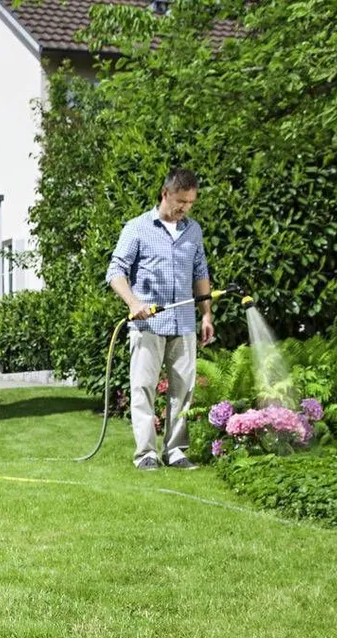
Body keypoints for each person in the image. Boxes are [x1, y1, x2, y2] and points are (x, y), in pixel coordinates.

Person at [106, 168, 214, 470]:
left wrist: (207, 315)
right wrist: (134, 302)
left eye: (190, 202)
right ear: (165, 194)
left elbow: (201, 273)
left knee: (183, 390)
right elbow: (115, 271)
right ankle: (146, 454)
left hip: (184, 323)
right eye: (181, 201)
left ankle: (175, 451)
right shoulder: (138, 228)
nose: (185, 208)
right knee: (143, 388)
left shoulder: (193, 231)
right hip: (148, 324)